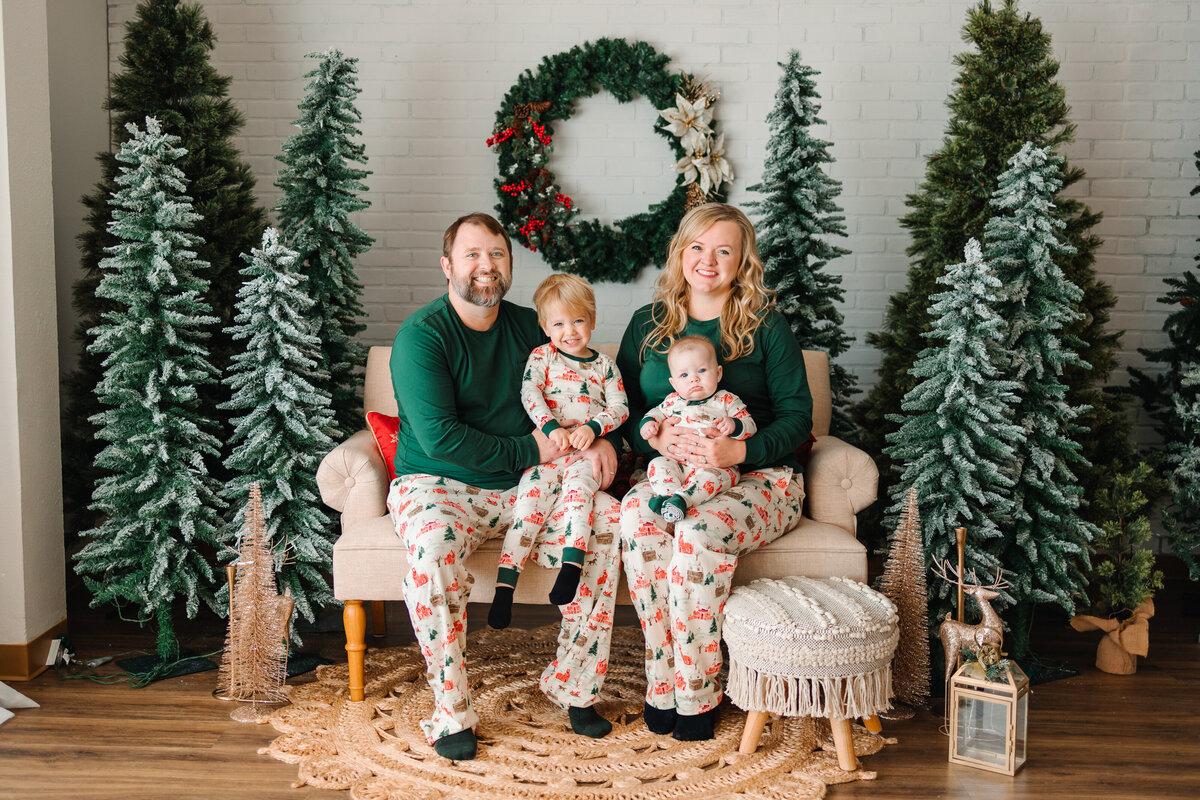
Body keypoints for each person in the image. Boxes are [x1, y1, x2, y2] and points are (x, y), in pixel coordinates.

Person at [386, 213, 621, 760]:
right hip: (440, 483)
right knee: (431, 548)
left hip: (531, 484)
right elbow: (441, 438)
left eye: (497, 254)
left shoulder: (532, 327)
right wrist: (535, 449)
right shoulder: (421, 337)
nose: (485, 266)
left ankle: (574, 688)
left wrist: (604, 438)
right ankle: (452, 711)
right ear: (447, 266)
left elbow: (590, 384)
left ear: (510, 265)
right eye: (472, 254)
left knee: (609, 525)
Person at [616, 203, 813, 741]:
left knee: (699, 534)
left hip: (759, 479)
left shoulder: (766, 326)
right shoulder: (647, 326)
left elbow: (799, 418)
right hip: (673, 478)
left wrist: (741, 453)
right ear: (680, 253)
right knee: (636, 521)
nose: (708, 260)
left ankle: (699, 695)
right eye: (698, 247)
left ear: (741, 260)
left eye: (724, 250)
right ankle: (663, 684)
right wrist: (650, 435)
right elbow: (624, 416)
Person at [488, 274, 628, 629]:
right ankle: (505, 586)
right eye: (559, 323)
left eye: (579, 320)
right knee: (528, 507)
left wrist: (592, 429)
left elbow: (620, 407)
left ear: (592, 320)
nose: (570, 331)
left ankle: (571, 566)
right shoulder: (542, 357)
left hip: (584, 454)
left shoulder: (605, 366)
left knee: (580, 499)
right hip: (548, 451)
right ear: (545, 327)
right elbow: (529, 394)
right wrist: (550, 427)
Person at [639, 335, 756, 523]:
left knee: (715, 478)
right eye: (684, 375)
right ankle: (667, 496)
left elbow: (750, 424)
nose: (694, 379)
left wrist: (735, 425)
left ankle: (683, 500)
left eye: (702, 370)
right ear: (674, 383)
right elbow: (655, 413)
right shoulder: (672, 401)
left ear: (718, 373)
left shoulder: (726, 400)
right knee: (657, 465)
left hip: (716, 466)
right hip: (679, 463)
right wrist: (649, 424)